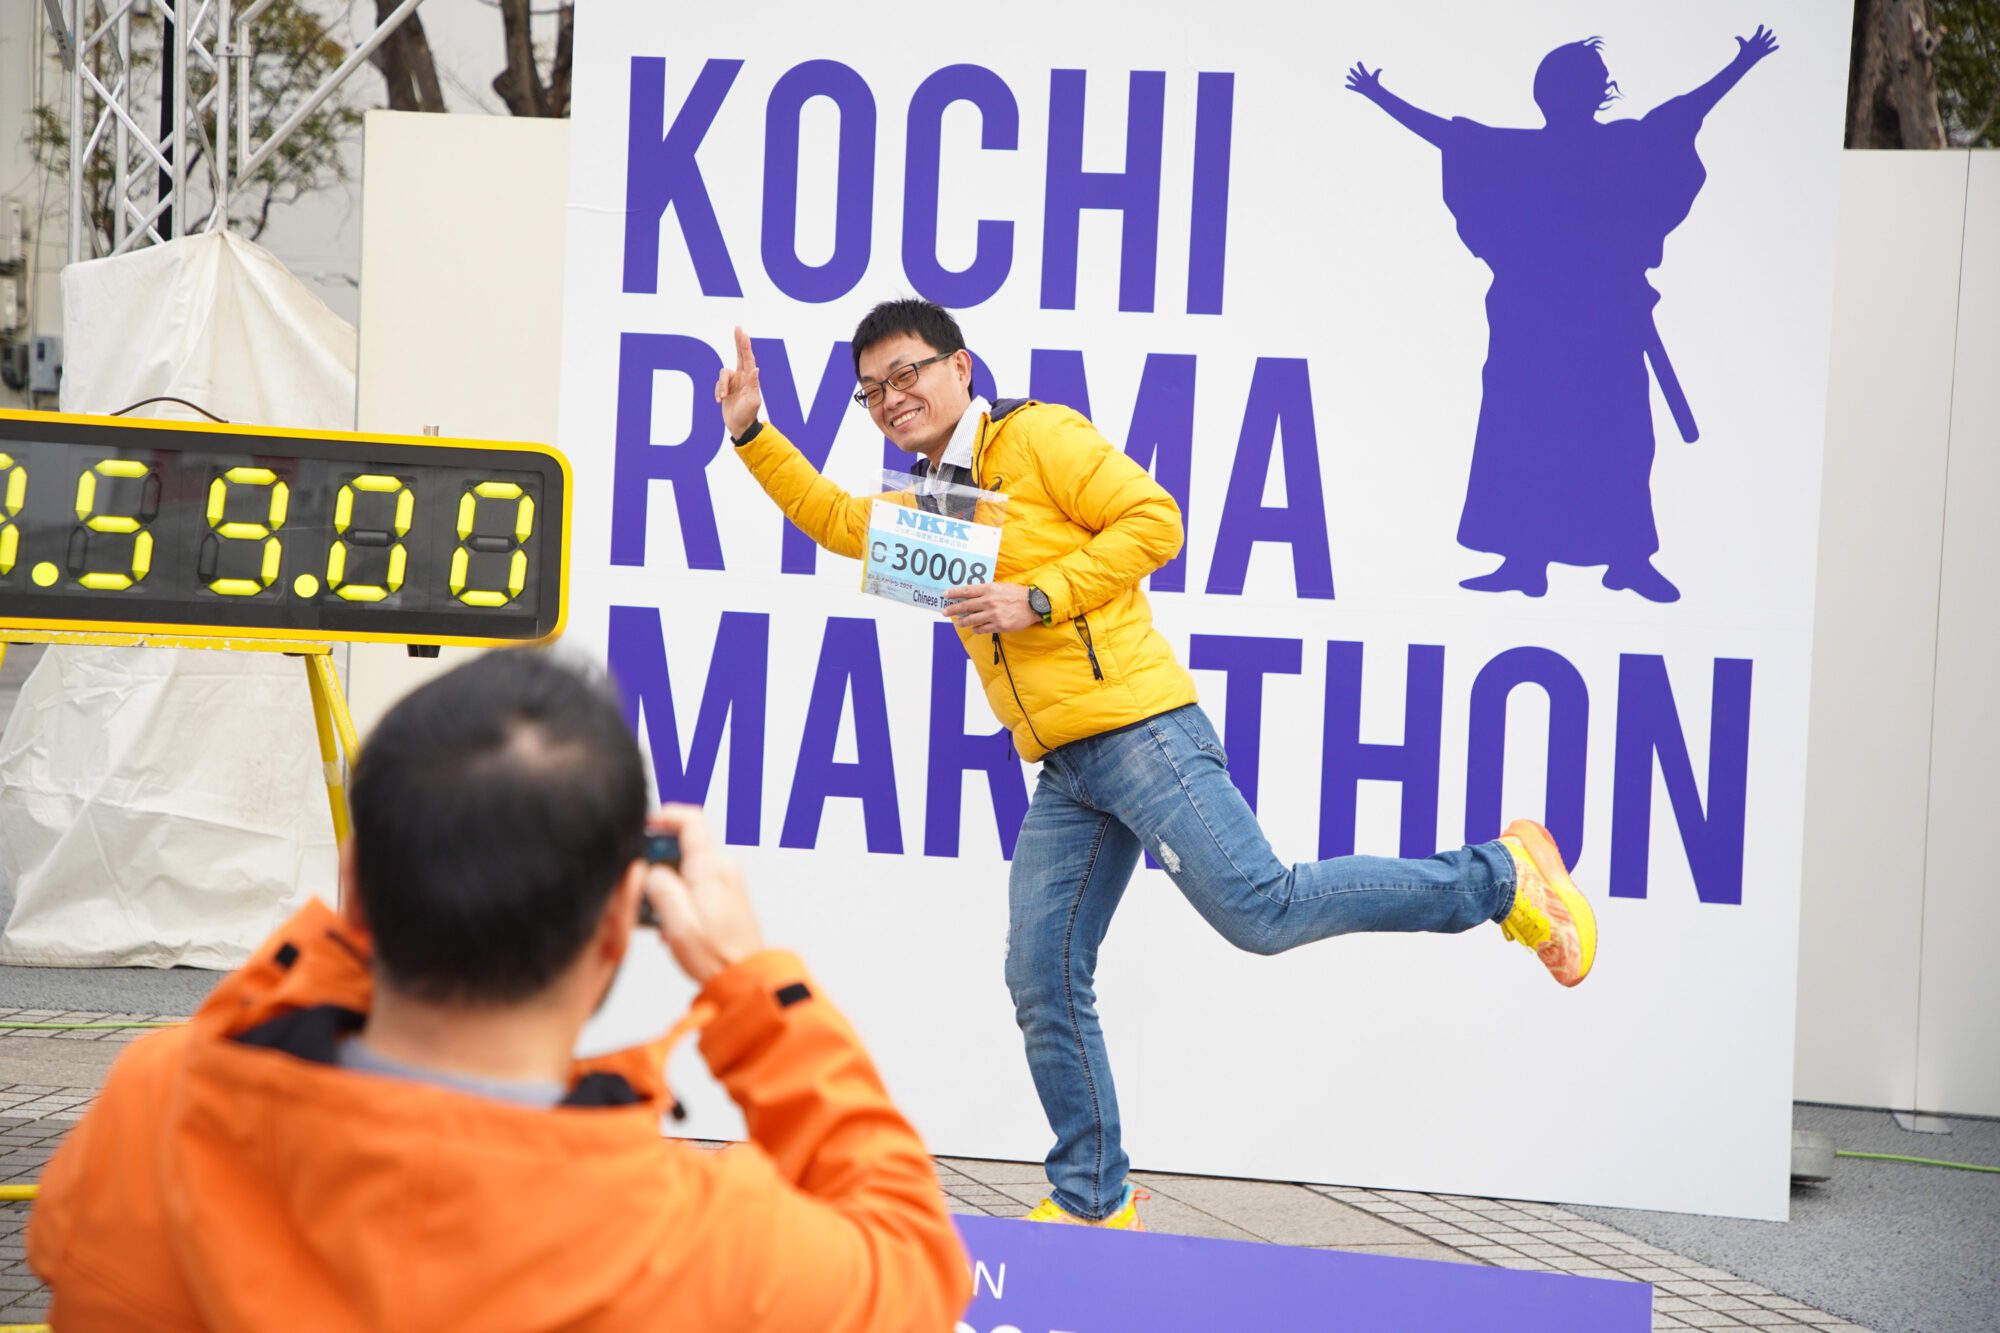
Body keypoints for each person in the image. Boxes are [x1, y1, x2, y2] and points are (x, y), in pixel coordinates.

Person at [718, 300, 1598, 1230]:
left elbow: (1155, 520)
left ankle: (1500, 876)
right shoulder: (944, 496)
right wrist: (751, 433)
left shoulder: (1035, 436)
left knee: (1263, 909)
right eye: (871, 391)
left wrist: (1038, 596)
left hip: (1142, 729)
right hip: (1068, 768)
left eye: (907, 373)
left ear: (960, 367)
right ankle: (1093, 1198)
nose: (892, 398)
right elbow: (840, 522)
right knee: (1041, 972)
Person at [27, 650, 971, 1330]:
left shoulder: (153, 1112)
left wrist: (361, 916)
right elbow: (918, 1260)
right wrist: (752, 983)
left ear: (355, 883)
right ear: (620, 919)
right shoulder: (715, 1247)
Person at [1347, 26, 1780, 603]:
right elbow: (1451, 138)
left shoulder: (1619, 148)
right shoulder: (1523, 153)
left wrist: (1742, 65)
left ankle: (1627, 559)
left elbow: (1683, 114)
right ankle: (1526, 560)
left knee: (1618, 439)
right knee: (1526, 435)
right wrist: (1380, 97)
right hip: (1533, 326)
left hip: (1606, 325)